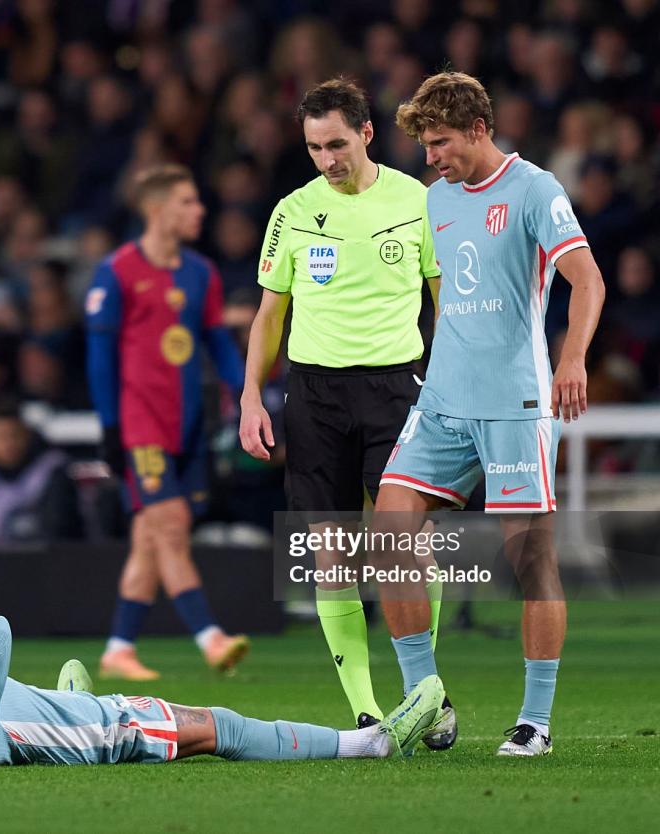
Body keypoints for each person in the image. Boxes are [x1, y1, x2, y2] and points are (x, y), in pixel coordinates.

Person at [379, 71, 605, 756]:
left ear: (479, 129)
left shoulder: (535, 189)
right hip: (445, 397)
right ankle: (428, 701)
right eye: (424, 144)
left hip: (516, 401)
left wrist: (572, 358)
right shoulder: (434, 199)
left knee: (529, 557)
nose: (430, 156)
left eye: (440, 141)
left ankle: (535, 721)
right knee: (391, 531)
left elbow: (587, 280)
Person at [238, 77, 451, 743]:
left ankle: (426, 692)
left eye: (336, 143)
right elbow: (269, 316)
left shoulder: (418, 202)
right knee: (331, 556)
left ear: (367, 133)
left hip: (397, 390)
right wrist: (251, 398)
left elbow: (447, 301)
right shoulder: (292, 211)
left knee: (402, 547)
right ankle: (365, 711)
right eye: (313, 147)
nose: (327, 159)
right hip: (315, 397)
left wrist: (452, 387)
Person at [0, 616, 444, 769]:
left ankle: (57, 695)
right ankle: (371, 743)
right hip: (104, 731)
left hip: (26, 712)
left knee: (28, 697)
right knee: (219, 725)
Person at [85, 164, 249, 680]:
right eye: (187, 202)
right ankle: (211, 638)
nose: (199, 211)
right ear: (157, 211)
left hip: (188, 427)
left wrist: (249, 395)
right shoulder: (116, 272)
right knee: (171, 525)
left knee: (151, 535)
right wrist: (111, 427)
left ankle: (118, 648)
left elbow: (218, 343)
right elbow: (99, 359)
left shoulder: (201, 273)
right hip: (140, 428)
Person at [0, 396, 82, 542]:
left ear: (27, 435)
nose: (8, 445)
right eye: (0, 437)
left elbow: (56, 531)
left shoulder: (53, 470)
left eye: (14, 436)